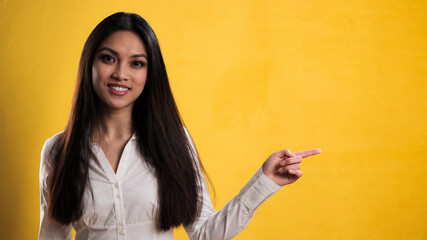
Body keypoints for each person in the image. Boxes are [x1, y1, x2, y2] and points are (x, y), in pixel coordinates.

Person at [39, 12, 322, 240]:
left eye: (136, 63)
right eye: (109, 58)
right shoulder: (57, 151)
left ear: (150, 74)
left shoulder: (172, 141)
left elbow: (203, 233)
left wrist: (264, 182)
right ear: (90, 63)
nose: (120, 74)